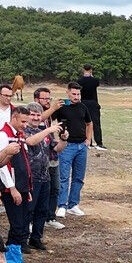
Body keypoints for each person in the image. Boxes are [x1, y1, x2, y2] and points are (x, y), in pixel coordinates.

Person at [0, 105, 59, 263]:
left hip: (23, 186)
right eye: (22, 121)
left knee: (22, 224)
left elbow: (24, 163)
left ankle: (14, 259)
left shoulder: (18, 135)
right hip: (11, 188)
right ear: (14, 118)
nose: (25, 124)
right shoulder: (3, 135)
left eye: (26, 121)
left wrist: (27, 187)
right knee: (17, 224)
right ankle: (10, 261)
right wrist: (12, 188)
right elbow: (2, 165)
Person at [23, 87, 63, 248]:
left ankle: (36, 239)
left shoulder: (43, 131)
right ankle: (22, 239)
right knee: (28, 210)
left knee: (42, 209)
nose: (35, 117)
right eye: (32, 114)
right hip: (30, 177)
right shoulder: (23, 130)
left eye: (38, 115)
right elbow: (30, 141)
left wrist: (64, 139)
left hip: (45, 174)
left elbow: (56, 148)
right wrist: (48, 130)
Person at [53, 83, 90, 217]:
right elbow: (49, 120)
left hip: (81, 146)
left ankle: (73, 204)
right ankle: (61, 205)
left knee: (78, 177)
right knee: (64, 176)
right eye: (74, 94)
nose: (76, 97)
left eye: (78, 94)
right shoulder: (62, 107)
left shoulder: (83, 107)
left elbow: (89, 123)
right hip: (67, 146)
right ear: (67, 93)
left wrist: (88, 139)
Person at [78, 64, 104, 150]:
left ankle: (89, 142)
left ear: (83, 70)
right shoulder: (95, 80)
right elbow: (96, 83)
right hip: (93, 103)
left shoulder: (80, 81)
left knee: (86, 123)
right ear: (91, 70)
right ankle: (99, 143)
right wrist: (91, 75)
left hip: (84, 102)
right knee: (96, 123)